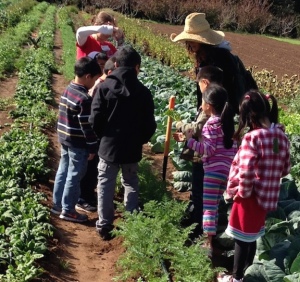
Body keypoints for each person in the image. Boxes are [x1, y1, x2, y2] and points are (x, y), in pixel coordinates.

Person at [170, 12, 253, 238]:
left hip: (216, 120)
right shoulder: (216, 56)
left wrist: (194, 128)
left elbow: (217, 99)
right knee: (206, 172)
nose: (188, 45)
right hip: (220, 119)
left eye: (190, 41)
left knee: (204, 172)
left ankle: (201, 225)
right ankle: (200, 215)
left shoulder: (218, 63)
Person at [220, 91, 291, 282]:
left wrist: (241, 193)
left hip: (248, 196)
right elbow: (285, 169)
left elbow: (246, 171)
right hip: (266, 198)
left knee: (241, 239)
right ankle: (245, 275)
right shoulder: (281, 136)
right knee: (251, 237)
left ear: (249, 116)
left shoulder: (253, 138)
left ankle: (236, 277)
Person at [89, 46, 157, 240]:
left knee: (105, 183)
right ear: (137, 67)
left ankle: (104, 225)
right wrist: (139, 139)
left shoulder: (104, 88)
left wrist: (104, 136)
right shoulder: (143, 92)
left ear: (116, 64)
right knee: (130, 182)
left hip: (108, 147)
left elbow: (95, 119)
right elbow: (149, 125)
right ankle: (132, 222)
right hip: (132, 148)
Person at [179, 84, 237, 256]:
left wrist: (189, 141)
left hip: (212, 172)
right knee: (216, 205)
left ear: (209, 105)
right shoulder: (227, 123)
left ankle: (207, 244)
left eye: (203, 100)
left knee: (208, 208)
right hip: (225, 171)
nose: (201, 104)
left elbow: (209, 149)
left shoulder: (211, 124)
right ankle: (212, 239)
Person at [173, 65, 224, 239]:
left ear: (205, 82)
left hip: (205, 161)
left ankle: (198, 230)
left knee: (201, 195)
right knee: (204, 197)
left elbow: (197, 129)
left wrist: (181, 127)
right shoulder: (221, 103)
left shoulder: (209, 108)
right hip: (216, 164)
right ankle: (198, 226)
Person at [50, 57, 101, 223]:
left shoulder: (69, 89)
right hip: (78, 143)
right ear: (88, 76)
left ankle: (57, 206)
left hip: (65, 139)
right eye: (94, 79)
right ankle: (69, 210)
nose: (94, 83)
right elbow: (87, 127)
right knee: (75, 175)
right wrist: (93, 147)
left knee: (63, 171)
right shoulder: (84, 99)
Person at [76, 56, 116, 213]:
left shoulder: (102, 84)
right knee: (90, 168)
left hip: (95, 134)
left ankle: (87, 194)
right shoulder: (101, 86)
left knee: (92, 168)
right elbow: (93, 115)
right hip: (93, 135)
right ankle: (82, 198)